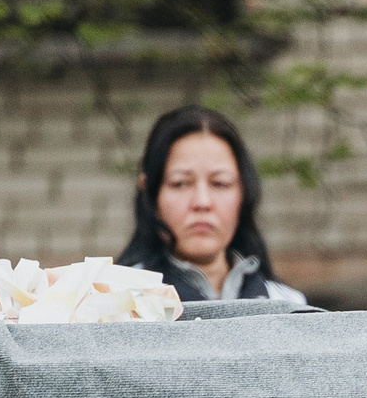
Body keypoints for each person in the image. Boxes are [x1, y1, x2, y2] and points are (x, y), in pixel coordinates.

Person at [117, 106, 307, 305]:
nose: (202, 202)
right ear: (150, 193)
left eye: (220, 183)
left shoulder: (287, 305)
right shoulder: (118, 304)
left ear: (244, 193)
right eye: (180, 183)